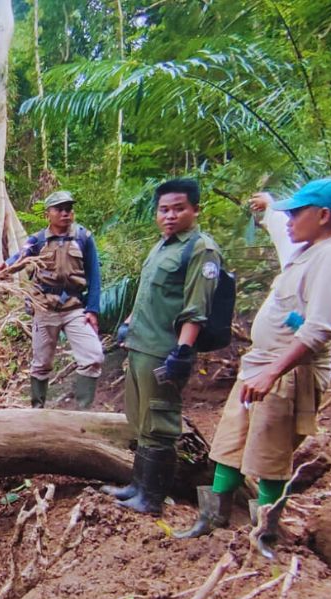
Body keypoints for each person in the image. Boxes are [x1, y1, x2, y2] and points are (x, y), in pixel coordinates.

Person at [173, 178, 331, 559]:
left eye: (296, 213)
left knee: (270, 456)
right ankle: (213, 519)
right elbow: (281, 230)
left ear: (324, 216)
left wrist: (273, 372)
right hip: (260, 365)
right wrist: (269, 206)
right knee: (230, 444)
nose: (288, 220)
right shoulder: (307, 247)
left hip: (287, 373)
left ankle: (264, 536)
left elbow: (320, 328)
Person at [103, 178, 223, 514]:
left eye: (178, 208)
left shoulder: (200, 249)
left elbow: (197, 308)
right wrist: (127, 323)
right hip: (141, 345)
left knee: (159, 422)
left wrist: (183, 351)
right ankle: (136, 486)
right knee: (141, 420)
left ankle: (152, 498)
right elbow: (146, 294)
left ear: (195, 210)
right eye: (163, 209)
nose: (169, 216)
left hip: (164, 350)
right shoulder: (162, 246)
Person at [0, 190, 103, 409]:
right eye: (59, 209)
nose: (65, 213)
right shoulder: (37, 240)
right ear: (48, 214)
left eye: (68, 209)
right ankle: (37, 411)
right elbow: (21, 256)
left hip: (74, 308)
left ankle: (82, 412)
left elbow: (94, 275)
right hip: (44, 308)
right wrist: (6, 265)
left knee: (93, 357)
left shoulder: (83, 238)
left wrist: (92, 309)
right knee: (41, 365)